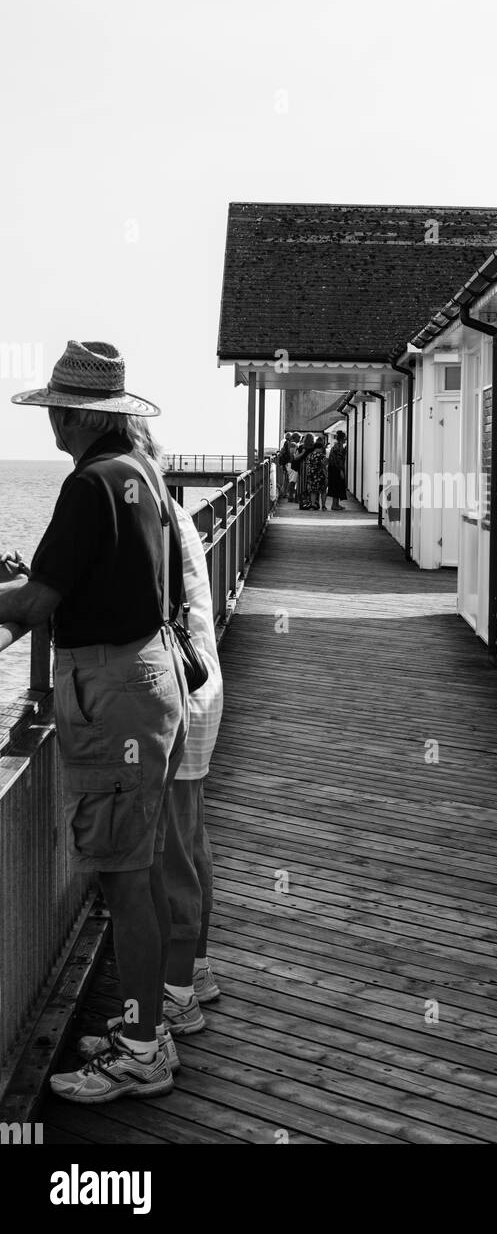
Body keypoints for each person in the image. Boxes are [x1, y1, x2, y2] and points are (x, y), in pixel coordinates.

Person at [0, 340, 189, 1104]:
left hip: (114, 696)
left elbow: (40, 602)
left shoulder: (87, 487)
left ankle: (144, 1051)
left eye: (53, 410)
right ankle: (147, 1022)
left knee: (124, 877)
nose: (49, 422)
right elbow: (98, 580)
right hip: (152, 678)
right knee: (136, 868)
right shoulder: (140, 471)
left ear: (74, 414)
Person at [75, 417, 223, 1069]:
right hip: (195, 686)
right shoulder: (170, 512)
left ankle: (177, 995)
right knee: (184, 844)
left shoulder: (154, 515)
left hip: (179, 694)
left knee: (170, 853)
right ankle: (189, 980)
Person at [294, 432, 315, 509]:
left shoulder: (301, 447)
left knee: (302, 486)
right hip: (312, 468)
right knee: (311, 486)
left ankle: (302, 503)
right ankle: (311, 503)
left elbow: (295, 457)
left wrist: (302, 453)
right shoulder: (314, 448)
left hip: (302, 468)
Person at [327, 431, 347, 511]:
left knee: (336, 486)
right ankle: (334, 505)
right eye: (345, 438)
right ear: (342, 438)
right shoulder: (339, 446)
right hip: (336, 469)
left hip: (332, 468)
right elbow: (338, 460)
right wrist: (341, 470)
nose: (345, 439)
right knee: (337, 486)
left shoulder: (336, 445)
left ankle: (336, 504)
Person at [308, 434, 328, 511]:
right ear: (320, 448)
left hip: (312, 474)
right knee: (323, 491)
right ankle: (323, 506)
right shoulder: (322, 456)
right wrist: (326, 476)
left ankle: (312, 505)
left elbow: (308, 465)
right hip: (321, 474)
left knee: (313, 491)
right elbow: (324, 466)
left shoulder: (311, 455)